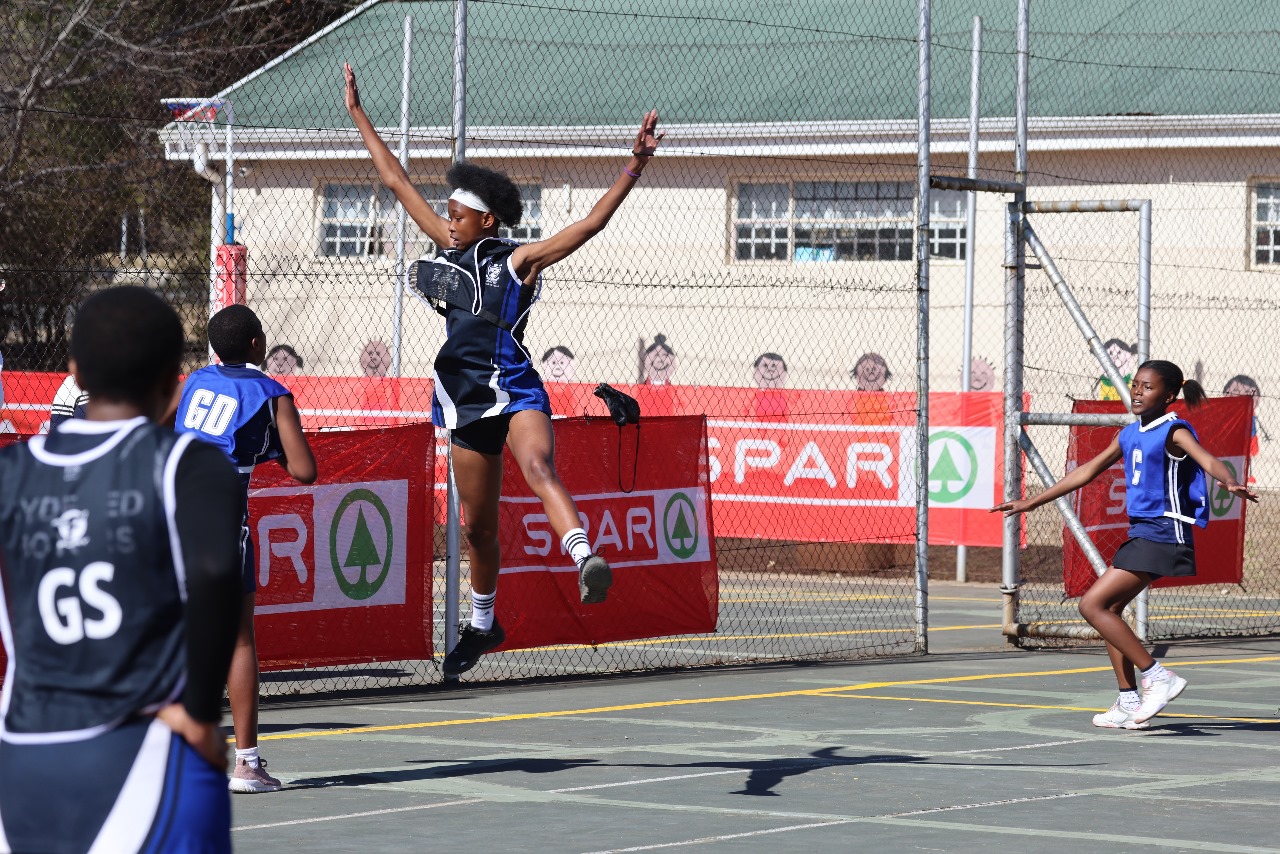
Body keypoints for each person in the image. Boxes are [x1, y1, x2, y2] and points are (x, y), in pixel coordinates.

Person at [344, 62, 662, 676]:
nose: (448, 219)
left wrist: (635, 165)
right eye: (448, 215)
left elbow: (589, 225)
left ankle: (585, 559)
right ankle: (483, 625)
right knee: (475, 529)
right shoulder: (447, 245)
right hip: (463, 400)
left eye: (459, 214)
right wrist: (359, 113)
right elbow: (393, 178)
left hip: (514, 389)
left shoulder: (517, 261)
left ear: (486, 220)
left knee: (539, 465)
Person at [0, 285, 243, 852]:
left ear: (75, 374)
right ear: (173, 383)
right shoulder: (186, 463)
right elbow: (214, 573)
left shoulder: (11, 472)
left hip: (26, 751)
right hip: (145, 748)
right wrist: (202, 713)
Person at [992, 360, 1257, 728]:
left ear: (1168, 396)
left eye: (1148, 387)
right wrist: (1031, 501)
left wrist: (1229, 482)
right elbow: (1087, 471)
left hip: (1165, 531)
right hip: (1143, 532)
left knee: (1092, 605)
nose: (1137, 392)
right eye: (1135, 385)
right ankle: (1128, 698)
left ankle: (1157, 676)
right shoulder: (1130, 434)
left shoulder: (1173, 431)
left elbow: (1208, 459)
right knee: (1109, 611)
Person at [175, 304, 318, 793]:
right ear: (258, 344)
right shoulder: (271, 392)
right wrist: (272, 443)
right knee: (237, 638)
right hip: (220, 513)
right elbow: (305, 470)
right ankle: (247, 764)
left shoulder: (193, 381)